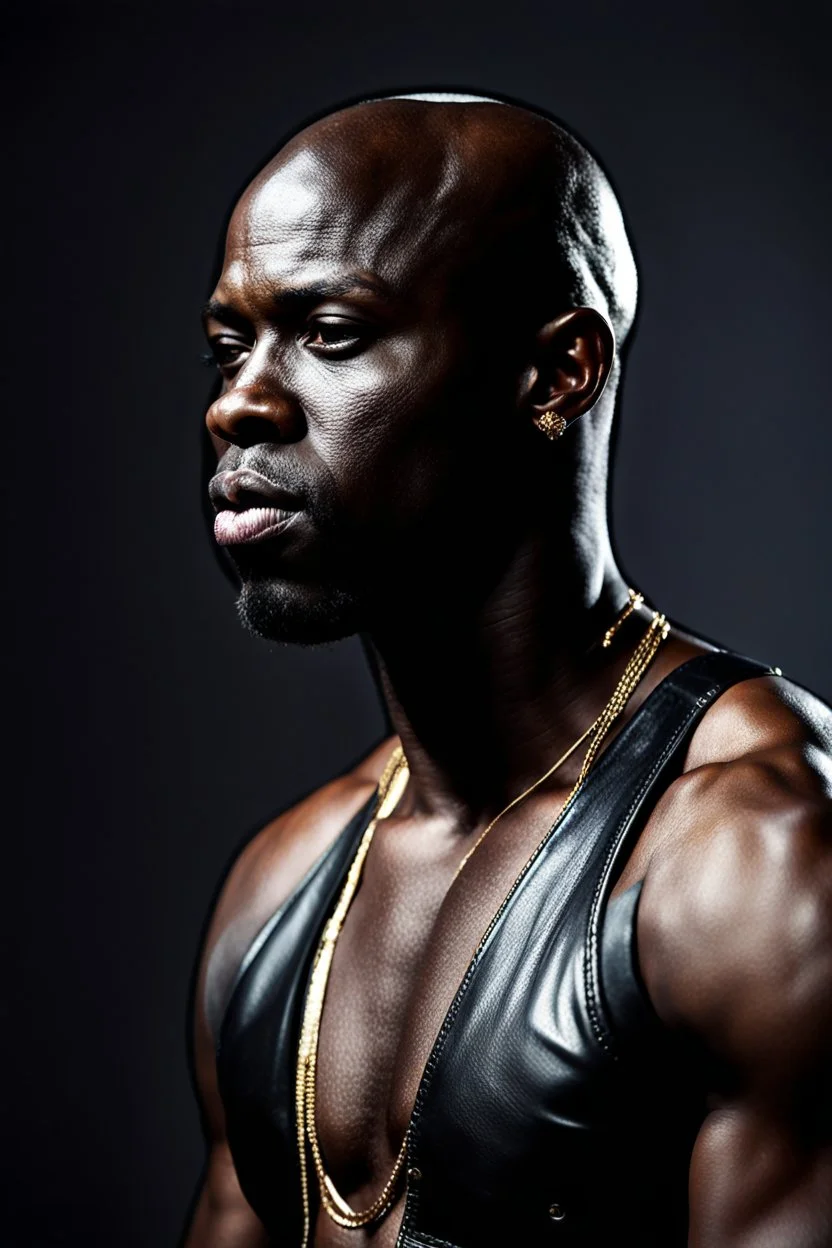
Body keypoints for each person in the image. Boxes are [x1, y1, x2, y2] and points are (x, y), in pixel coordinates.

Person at [185, 91, 832, 1248]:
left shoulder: (758, 867)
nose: (240, 402)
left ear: (558, 373)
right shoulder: (276, 894)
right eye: (231, 345)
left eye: (330, 331)